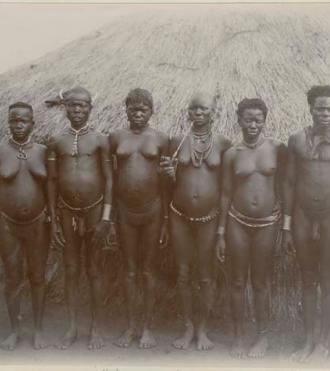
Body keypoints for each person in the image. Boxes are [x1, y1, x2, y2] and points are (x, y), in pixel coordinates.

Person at [283, 85, 330, 361]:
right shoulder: (296, 140)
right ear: (310, 108)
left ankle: (323, 343)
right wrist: (287, 226)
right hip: (303, 215)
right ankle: (308, 340)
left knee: (327, 279)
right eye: (320, 108)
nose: (325, 113)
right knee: (307, 279)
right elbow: (290, 182)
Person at [215, 98, 287, 359]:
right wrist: (221, 232)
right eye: (248, 119)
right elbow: (225, 194)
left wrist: (286, 225)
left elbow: (287, 186)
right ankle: (237, 337)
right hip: (237, 221)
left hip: (268, 223)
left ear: (265, 120)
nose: (253, 124)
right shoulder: (232, 154)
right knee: (236, 281)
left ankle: (262, 337)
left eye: (258, 119)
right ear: (239, 120)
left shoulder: (277, 149)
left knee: (260, 282)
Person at [159, 92, 231, 351]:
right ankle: (187, 326)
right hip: (180, 216)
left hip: (210, 219)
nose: (199, 113)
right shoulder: (176, 142)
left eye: (204, 109)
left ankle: (203, 330)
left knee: (206, 275)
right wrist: (167, 174)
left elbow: (226, 189)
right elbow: (167, 185)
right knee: (183, 273)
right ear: (188, 113)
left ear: (214, 113)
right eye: (194, 109)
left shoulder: (223, 144)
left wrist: (222, 227)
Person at [0, 102, 49, 351]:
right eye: (14, 121)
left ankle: (38, 330)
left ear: (33, 123)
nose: (18, 125)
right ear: (8, 122)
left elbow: (54, 189)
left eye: (24, 121)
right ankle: (14, 331)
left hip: (39, 224)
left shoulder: (43, 151)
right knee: (12, 278)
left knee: (38, 277)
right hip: (7, 224)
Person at [47, 87, 113, 350]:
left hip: (95, 210)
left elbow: (109, 178)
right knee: (71, 270)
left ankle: (95, 328)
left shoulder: (100, 140)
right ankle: (72, 327)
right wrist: (53, 220)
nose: (77, 110)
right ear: (65, 108)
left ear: (90, 109)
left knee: (94, 270)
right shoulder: (55, 141)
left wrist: (106, 217)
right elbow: (51, 181)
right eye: (73, 105)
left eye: (83, 106)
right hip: (66, 212)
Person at [109, 88, 169, 349]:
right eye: (133, 109)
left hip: (153, 210)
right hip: (124, 212)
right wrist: (109, 218)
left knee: (148, 269)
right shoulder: (115, 138)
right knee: (129, 270)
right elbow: (110, 178)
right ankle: (131, 326)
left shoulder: (161, 139)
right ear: (126, 110)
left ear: (151, 111)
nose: (138, 114)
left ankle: (147, 327)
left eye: (143, 109)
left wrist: (166, 219)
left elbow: (168, 185)